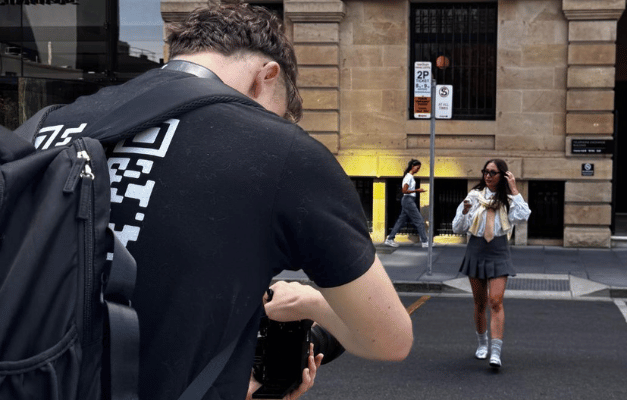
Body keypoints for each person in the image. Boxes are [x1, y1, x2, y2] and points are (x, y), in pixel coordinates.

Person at [30, 4, 412, 400]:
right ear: (266, 77)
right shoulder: (281, 151)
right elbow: (389, 338)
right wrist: (309, 301)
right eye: (277, 113)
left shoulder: (49, 124)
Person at [452, 159, 531, 368]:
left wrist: (514, 189)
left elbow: (523, 217)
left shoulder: (509, 200)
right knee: (480, 303)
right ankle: (482, 344)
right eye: (485, 171)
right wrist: (465, 211)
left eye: (493, 172)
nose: (488, 175)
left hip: (498, 251)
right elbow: (457, 228)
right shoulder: (474, 196)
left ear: (502, 176)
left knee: (495, 301)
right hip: (476, 250)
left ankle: (496, 352)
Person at [384, 159, 430, 248]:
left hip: (408, 200)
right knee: (419, 221)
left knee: (400, 221)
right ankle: (425, 242)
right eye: (417, 168)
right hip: (408, 200)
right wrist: (416, 190)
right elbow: (404, 190)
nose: (418, 170)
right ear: (412, 166)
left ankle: (389, 239)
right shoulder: (409, 177)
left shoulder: (409, 177)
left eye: (419, 168)